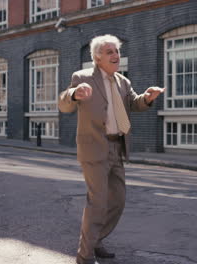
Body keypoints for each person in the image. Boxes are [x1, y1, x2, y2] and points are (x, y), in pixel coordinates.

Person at [59, 34, 165, 264]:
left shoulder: (123, 81)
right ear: (98, 58)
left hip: (117, 146)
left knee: (117, 201)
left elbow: (132, 104)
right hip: (94, 147)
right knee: (97, 202)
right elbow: (63, 103)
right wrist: (74, 94)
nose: (116, 55)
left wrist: (146, 98)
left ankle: (96, 240)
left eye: (117, 51)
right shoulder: (83, 77)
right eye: (110, 52)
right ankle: (84, 256)